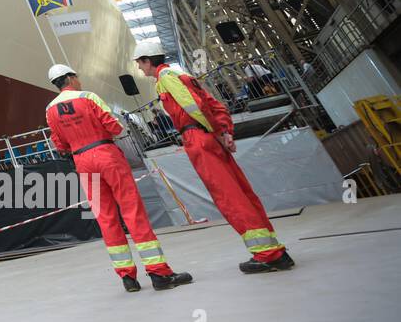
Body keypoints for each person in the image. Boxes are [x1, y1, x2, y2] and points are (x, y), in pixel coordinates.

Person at [133, 42, 296, 274]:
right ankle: (275, 250)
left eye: (139, 63)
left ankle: (267, 255)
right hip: (209, 134)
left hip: (198, 136)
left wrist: (219, 133)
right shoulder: (181, 73)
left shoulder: (165, 78)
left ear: (148, 60)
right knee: (242, 193)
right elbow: (213, 103)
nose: (139, 68)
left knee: (230, 198)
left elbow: (194, 106)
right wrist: (225, 131)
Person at [44, 63, 192, 292]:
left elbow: (60, 144)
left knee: (106, 218)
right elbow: (114, 127)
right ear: (71, 78)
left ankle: (127, 278)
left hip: (82, 161)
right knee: (132, 210)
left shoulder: (49, 109)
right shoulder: (88, 96)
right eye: (78, 77)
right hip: (105, 154)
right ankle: (159, 273)